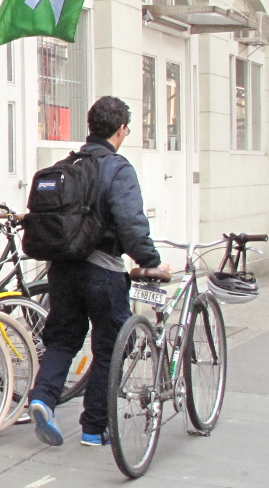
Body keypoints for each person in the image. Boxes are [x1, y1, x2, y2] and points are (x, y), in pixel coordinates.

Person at [28, 96, 169, 447]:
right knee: (110, 345)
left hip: (61, 269)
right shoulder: (117, 168)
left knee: (62, 339)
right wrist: (150, 261)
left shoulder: (66, 165)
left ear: (91, 127)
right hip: (102, 270)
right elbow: (131, 222)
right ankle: (94, 428)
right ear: (121, 130)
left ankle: (42, 398)